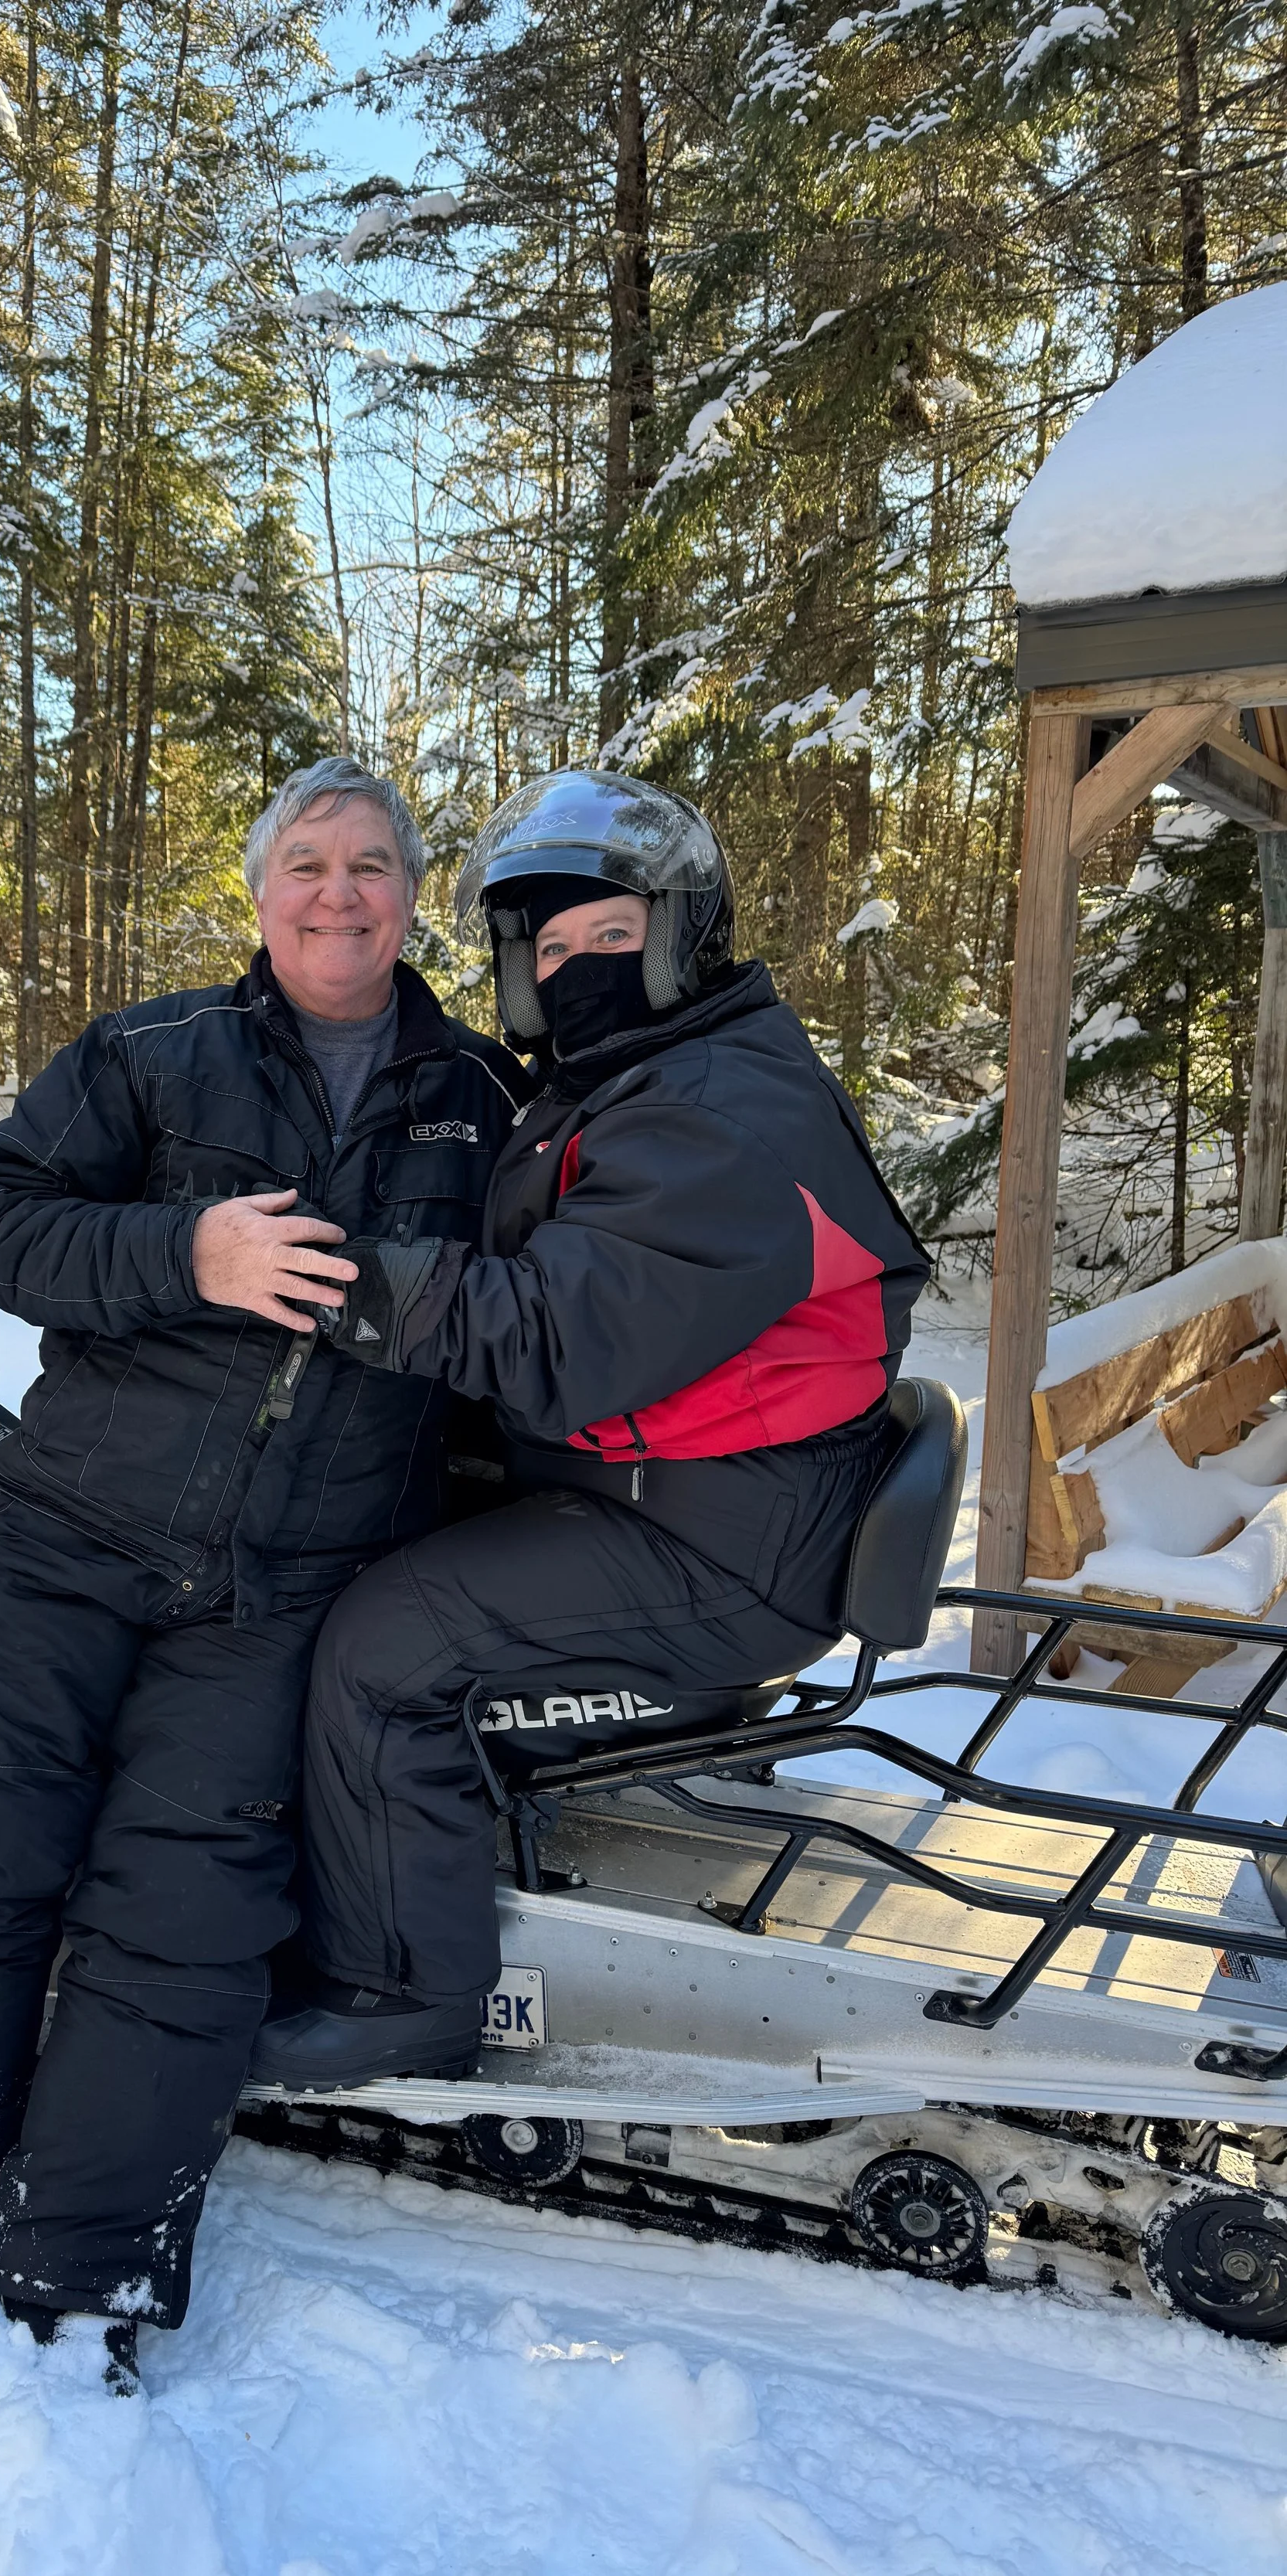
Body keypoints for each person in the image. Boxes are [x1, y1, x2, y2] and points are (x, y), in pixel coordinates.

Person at [0, 756, 525, 2384]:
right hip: (64, 1532)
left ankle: (85, 2266)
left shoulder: (479, 1100)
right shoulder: (153, 1050)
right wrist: (183, 1253)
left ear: (409, 894)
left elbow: (536, 1314)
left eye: (369, 863)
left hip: (283, 1589)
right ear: (257, 893)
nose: (337, 891)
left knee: (185, 1914)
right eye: (305, 862)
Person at [248, 769, 931, 2091]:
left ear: (679, 936)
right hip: (684, 1490)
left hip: (717, 1545)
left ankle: (409, 1991)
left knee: (383, 1655)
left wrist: (331, 1276)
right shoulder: (656, 1073)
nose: (575, 973)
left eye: (609, 938)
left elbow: (556, 1340)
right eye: (548, 949)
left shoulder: (717, 1112)